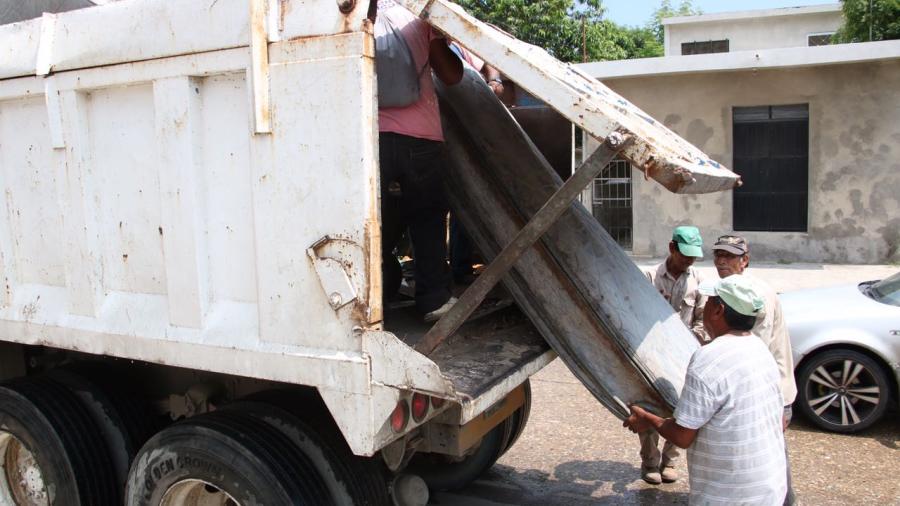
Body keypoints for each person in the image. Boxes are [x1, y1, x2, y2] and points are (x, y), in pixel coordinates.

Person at [624, 275, 787, 505]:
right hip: (770, 490)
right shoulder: (760, 349)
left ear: (718, 310)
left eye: (708, 301)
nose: (705, 306)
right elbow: (779, 422)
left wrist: (647, 418)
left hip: (729, 496)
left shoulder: (710, 358)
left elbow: (682, 436)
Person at [375, 0, 463, 322]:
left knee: (376, 225)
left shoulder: (360, 16)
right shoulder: (419, 15)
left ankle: (375, 301)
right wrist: (438, 36)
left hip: (372, 138)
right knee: (427, 218)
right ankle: (433, 300)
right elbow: (452, 76)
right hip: (421, 139)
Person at [712, 235, 797, 505]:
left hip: (771, 391)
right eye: (719, 255)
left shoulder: (750, 296)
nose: (722, 261)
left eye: (730, 256)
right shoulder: (730, 290)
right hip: (765, 388)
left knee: (769, 455)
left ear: (745, 260)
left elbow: (749, 351)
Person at [637, 225, 707, 485]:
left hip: (685, 356)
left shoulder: (697, 280)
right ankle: (650, 462)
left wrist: (696, 344)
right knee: (650, 407)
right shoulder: (649, 276)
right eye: (684, 254)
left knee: (682, 410)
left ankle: (670, 461)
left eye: (693, 256)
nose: (689, 260)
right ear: (671, 248)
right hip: (653, 355)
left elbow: (701, 319)